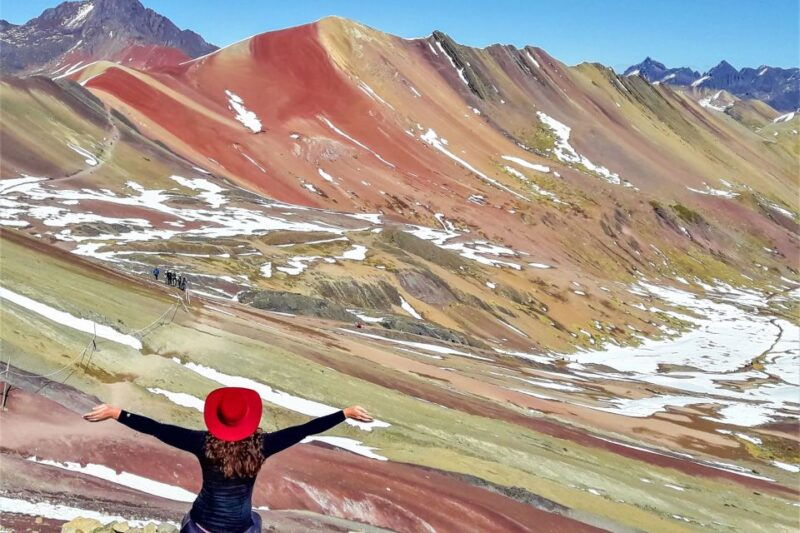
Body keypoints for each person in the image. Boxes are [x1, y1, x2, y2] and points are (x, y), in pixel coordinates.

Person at [83, 388, 373, 532]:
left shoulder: (203, 443)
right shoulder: (261, 446)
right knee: (255, 520)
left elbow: (158, 429)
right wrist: (344, 413)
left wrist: (117, 413)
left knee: (190, 520)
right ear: (249, 420)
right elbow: (305, 430)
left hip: (201, 525)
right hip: (240, 527)